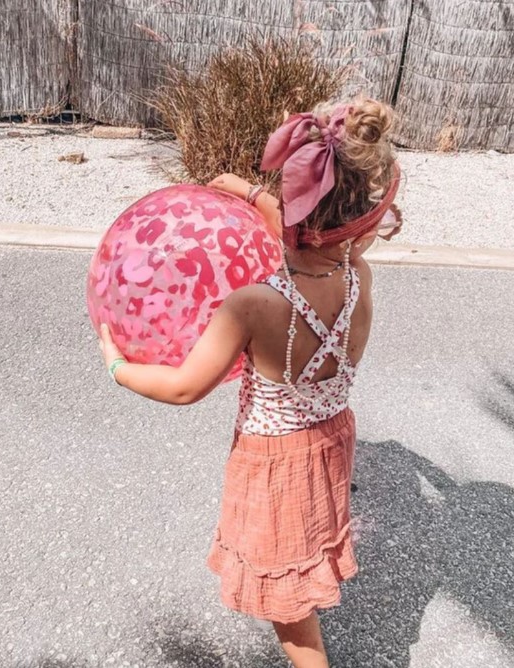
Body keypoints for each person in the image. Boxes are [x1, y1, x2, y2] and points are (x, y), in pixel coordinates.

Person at [99, 97, 402, 667]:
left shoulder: (253, 306)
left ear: (293, 206)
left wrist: (119, 366)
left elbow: (185, 386)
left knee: (289, 611)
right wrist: (251, 193)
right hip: (330, 440)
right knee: (305, 553)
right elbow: (305, 236)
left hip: (274, 463)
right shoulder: (358, 275)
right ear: (360, 219)